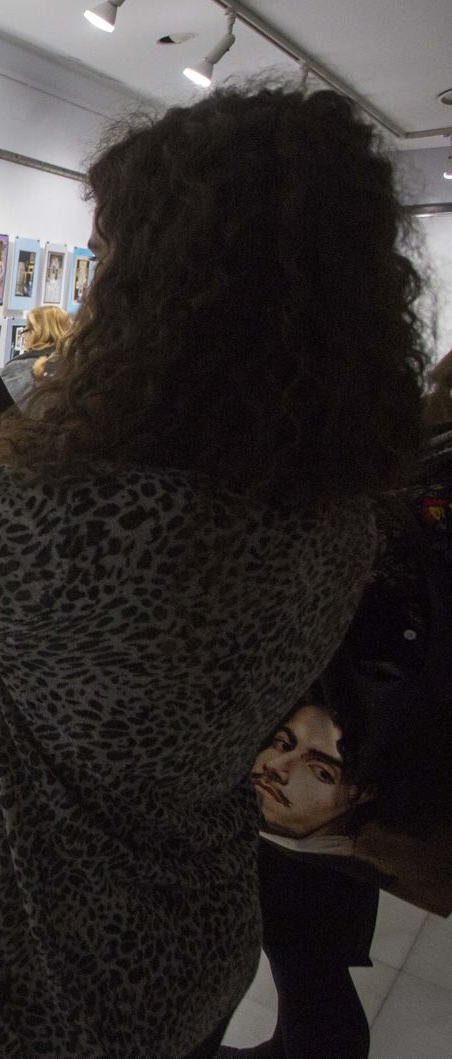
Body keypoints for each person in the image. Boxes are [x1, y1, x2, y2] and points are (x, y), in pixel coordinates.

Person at [0, 85, 427, 1059]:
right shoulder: (334, 510)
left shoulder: (81, 525)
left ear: (174, 287)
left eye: (109, 257)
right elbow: (54, 522)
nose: (90, 283)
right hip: (194, 940)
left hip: (30, 977)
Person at [224, 351, 452, 1059]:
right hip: (374, 765)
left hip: (339, 750)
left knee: (305, 949)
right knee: (312, 943)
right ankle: (290, 1040)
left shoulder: (417, 490)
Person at [0, 304, 70, 403]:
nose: (23, 335)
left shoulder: (20, 368)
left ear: (38, 332)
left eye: (27, 329)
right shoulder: (75, 365)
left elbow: (1, 408)